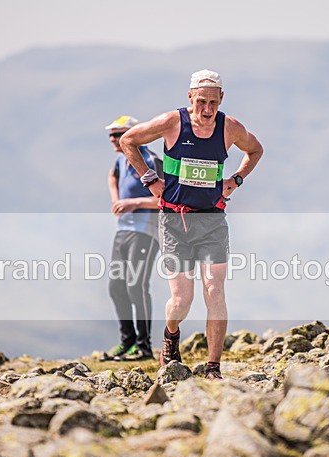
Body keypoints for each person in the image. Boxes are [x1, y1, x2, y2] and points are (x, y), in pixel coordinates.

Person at [120, 69, 263, 379]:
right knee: (182, 300)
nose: (207, 110)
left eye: (213, 102)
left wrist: (235, 180)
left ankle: (214, 367)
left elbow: (255, 150)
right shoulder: (173, 122)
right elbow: (129, 140)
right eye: (201, 102)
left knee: (214, 290)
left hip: (212, 220)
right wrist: (150, 179)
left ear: (221, 99)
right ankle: (171, 335)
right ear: (190, 98)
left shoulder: (230, 128)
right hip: (174, 221)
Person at [100, 115, 162, 361]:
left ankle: (144, 346)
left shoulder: (150, 160)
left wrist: (133, 203)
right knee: (116, 287)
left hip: (146, 232)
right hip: (123, 232)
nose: (113, 139)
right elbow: (112, 176)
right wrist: (116, 200)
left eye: (118, 134)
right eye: (111, 135)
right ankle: (126, 342)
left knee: (136, 286)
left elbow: (164, 200)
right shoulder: (119, 160)